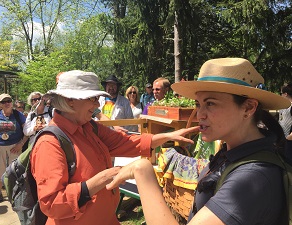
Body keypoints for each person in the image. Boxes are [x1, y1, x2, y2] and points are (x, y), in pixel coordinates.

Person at [107, 58, 291, 225]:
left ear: (248, 108)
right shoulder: (234, 151)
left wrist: (142, 172)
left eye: (210, 103)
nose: (200, 114)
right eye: (198, 104)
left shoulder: (253, 176)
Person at [30, 70, 196, 225]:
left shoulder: (89, 127)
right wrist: (104, 178)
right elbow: (52, 204)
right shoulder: (50, 143)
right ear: (70, 101)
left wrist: (166, 136)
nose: (97, 106)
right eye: (92, 99)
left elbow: (124, 142)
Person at [0, 93, 28, 206]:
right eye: (4, 102)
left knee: (16, 171)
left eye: (9, 101)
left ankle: (16, 193)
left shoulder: (18, 115)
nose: (7, 103)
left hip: (14, 147)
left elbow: (27, 131)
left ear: (12, 102)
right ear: (0, 104)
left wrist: (21, 144)